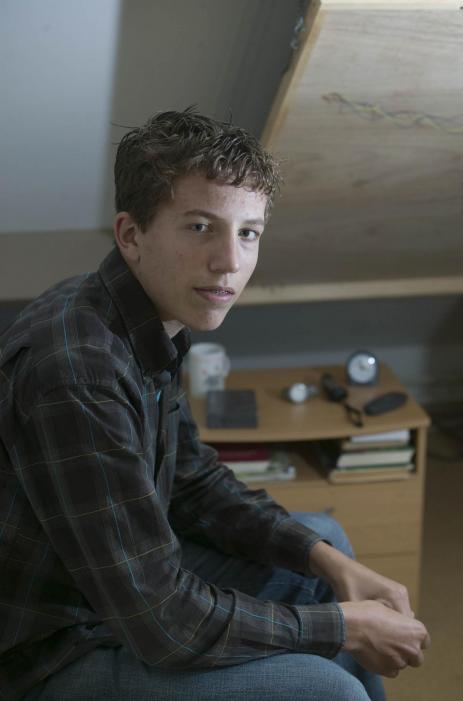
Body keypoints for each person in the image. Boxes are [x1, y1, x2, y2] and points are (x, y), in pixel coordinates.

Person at [0, 108, 429, 701]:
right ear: (131, 235)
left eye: (248, 232)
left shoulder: (144, 316)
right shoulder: (78, 372)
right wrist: (342, 628)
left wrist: (331, 564)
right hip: (54, 649)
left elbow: (192, 482)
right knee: (327, 689)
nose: (229, 261)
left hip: (113, 590)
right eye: (201, 227)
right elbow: (161, 621)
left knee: (322, 548)